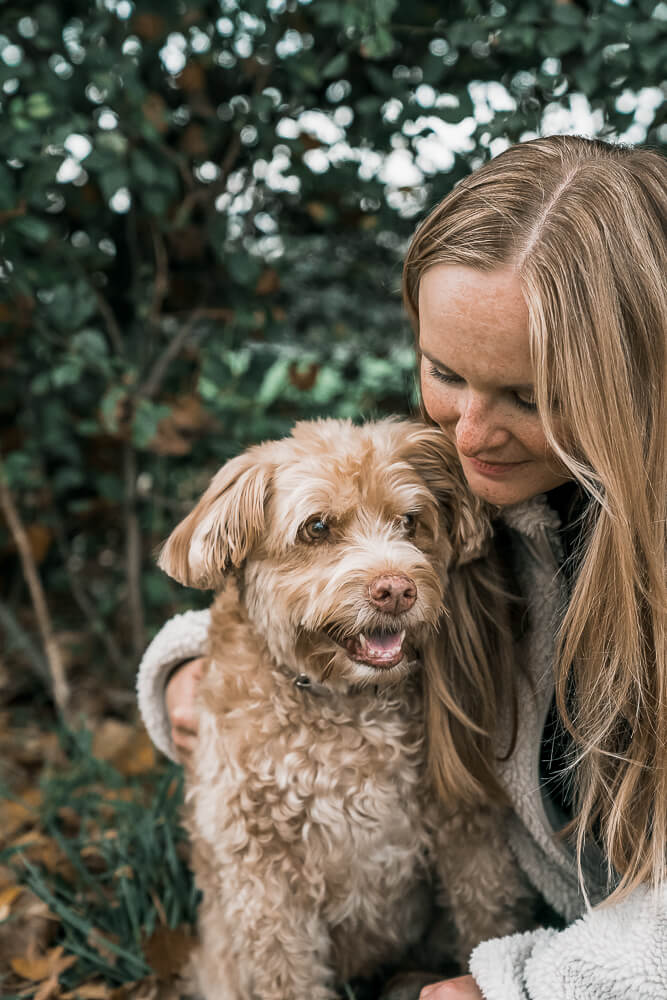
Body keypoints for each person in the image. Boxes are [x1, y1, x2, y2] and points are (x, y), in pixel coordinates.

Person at [137, 135, 666, 999]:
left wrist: (526, 985)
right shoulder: (472, 493)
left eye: (526, 397)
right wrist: (193, 663)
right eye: (443, 372)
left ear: (635, 379)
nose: (464, 435)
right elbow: (311, 566)